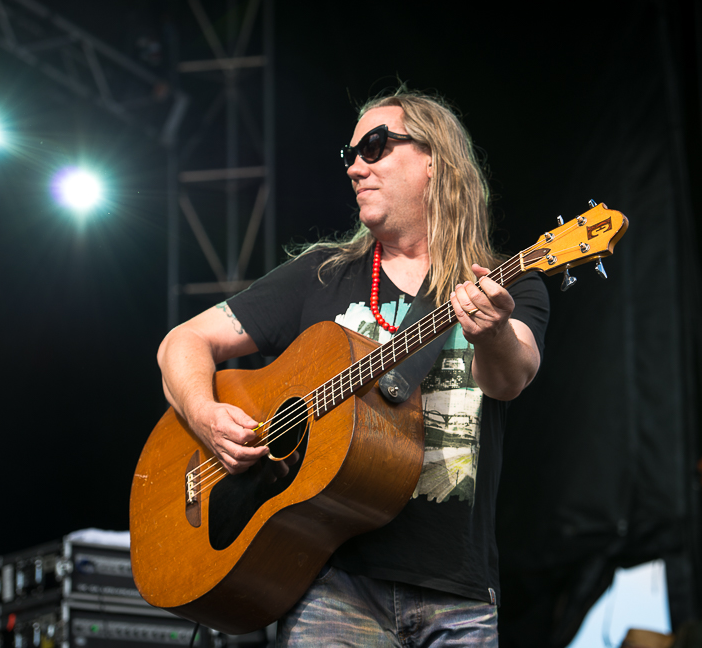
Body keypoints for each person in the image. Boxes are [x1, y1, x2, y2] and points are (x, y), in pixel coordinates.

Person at [156, 89, 550, 646]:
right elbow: (183, 340)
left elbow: (512, 378)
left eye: (375, 147)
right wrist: (202, 414)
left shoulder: (508, 282)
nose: (355, 167)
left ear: (435, 161)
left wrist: (493, 333)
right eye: (350, 154)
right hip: (328, 589)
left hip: (457, 592)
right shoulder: (321, 275)